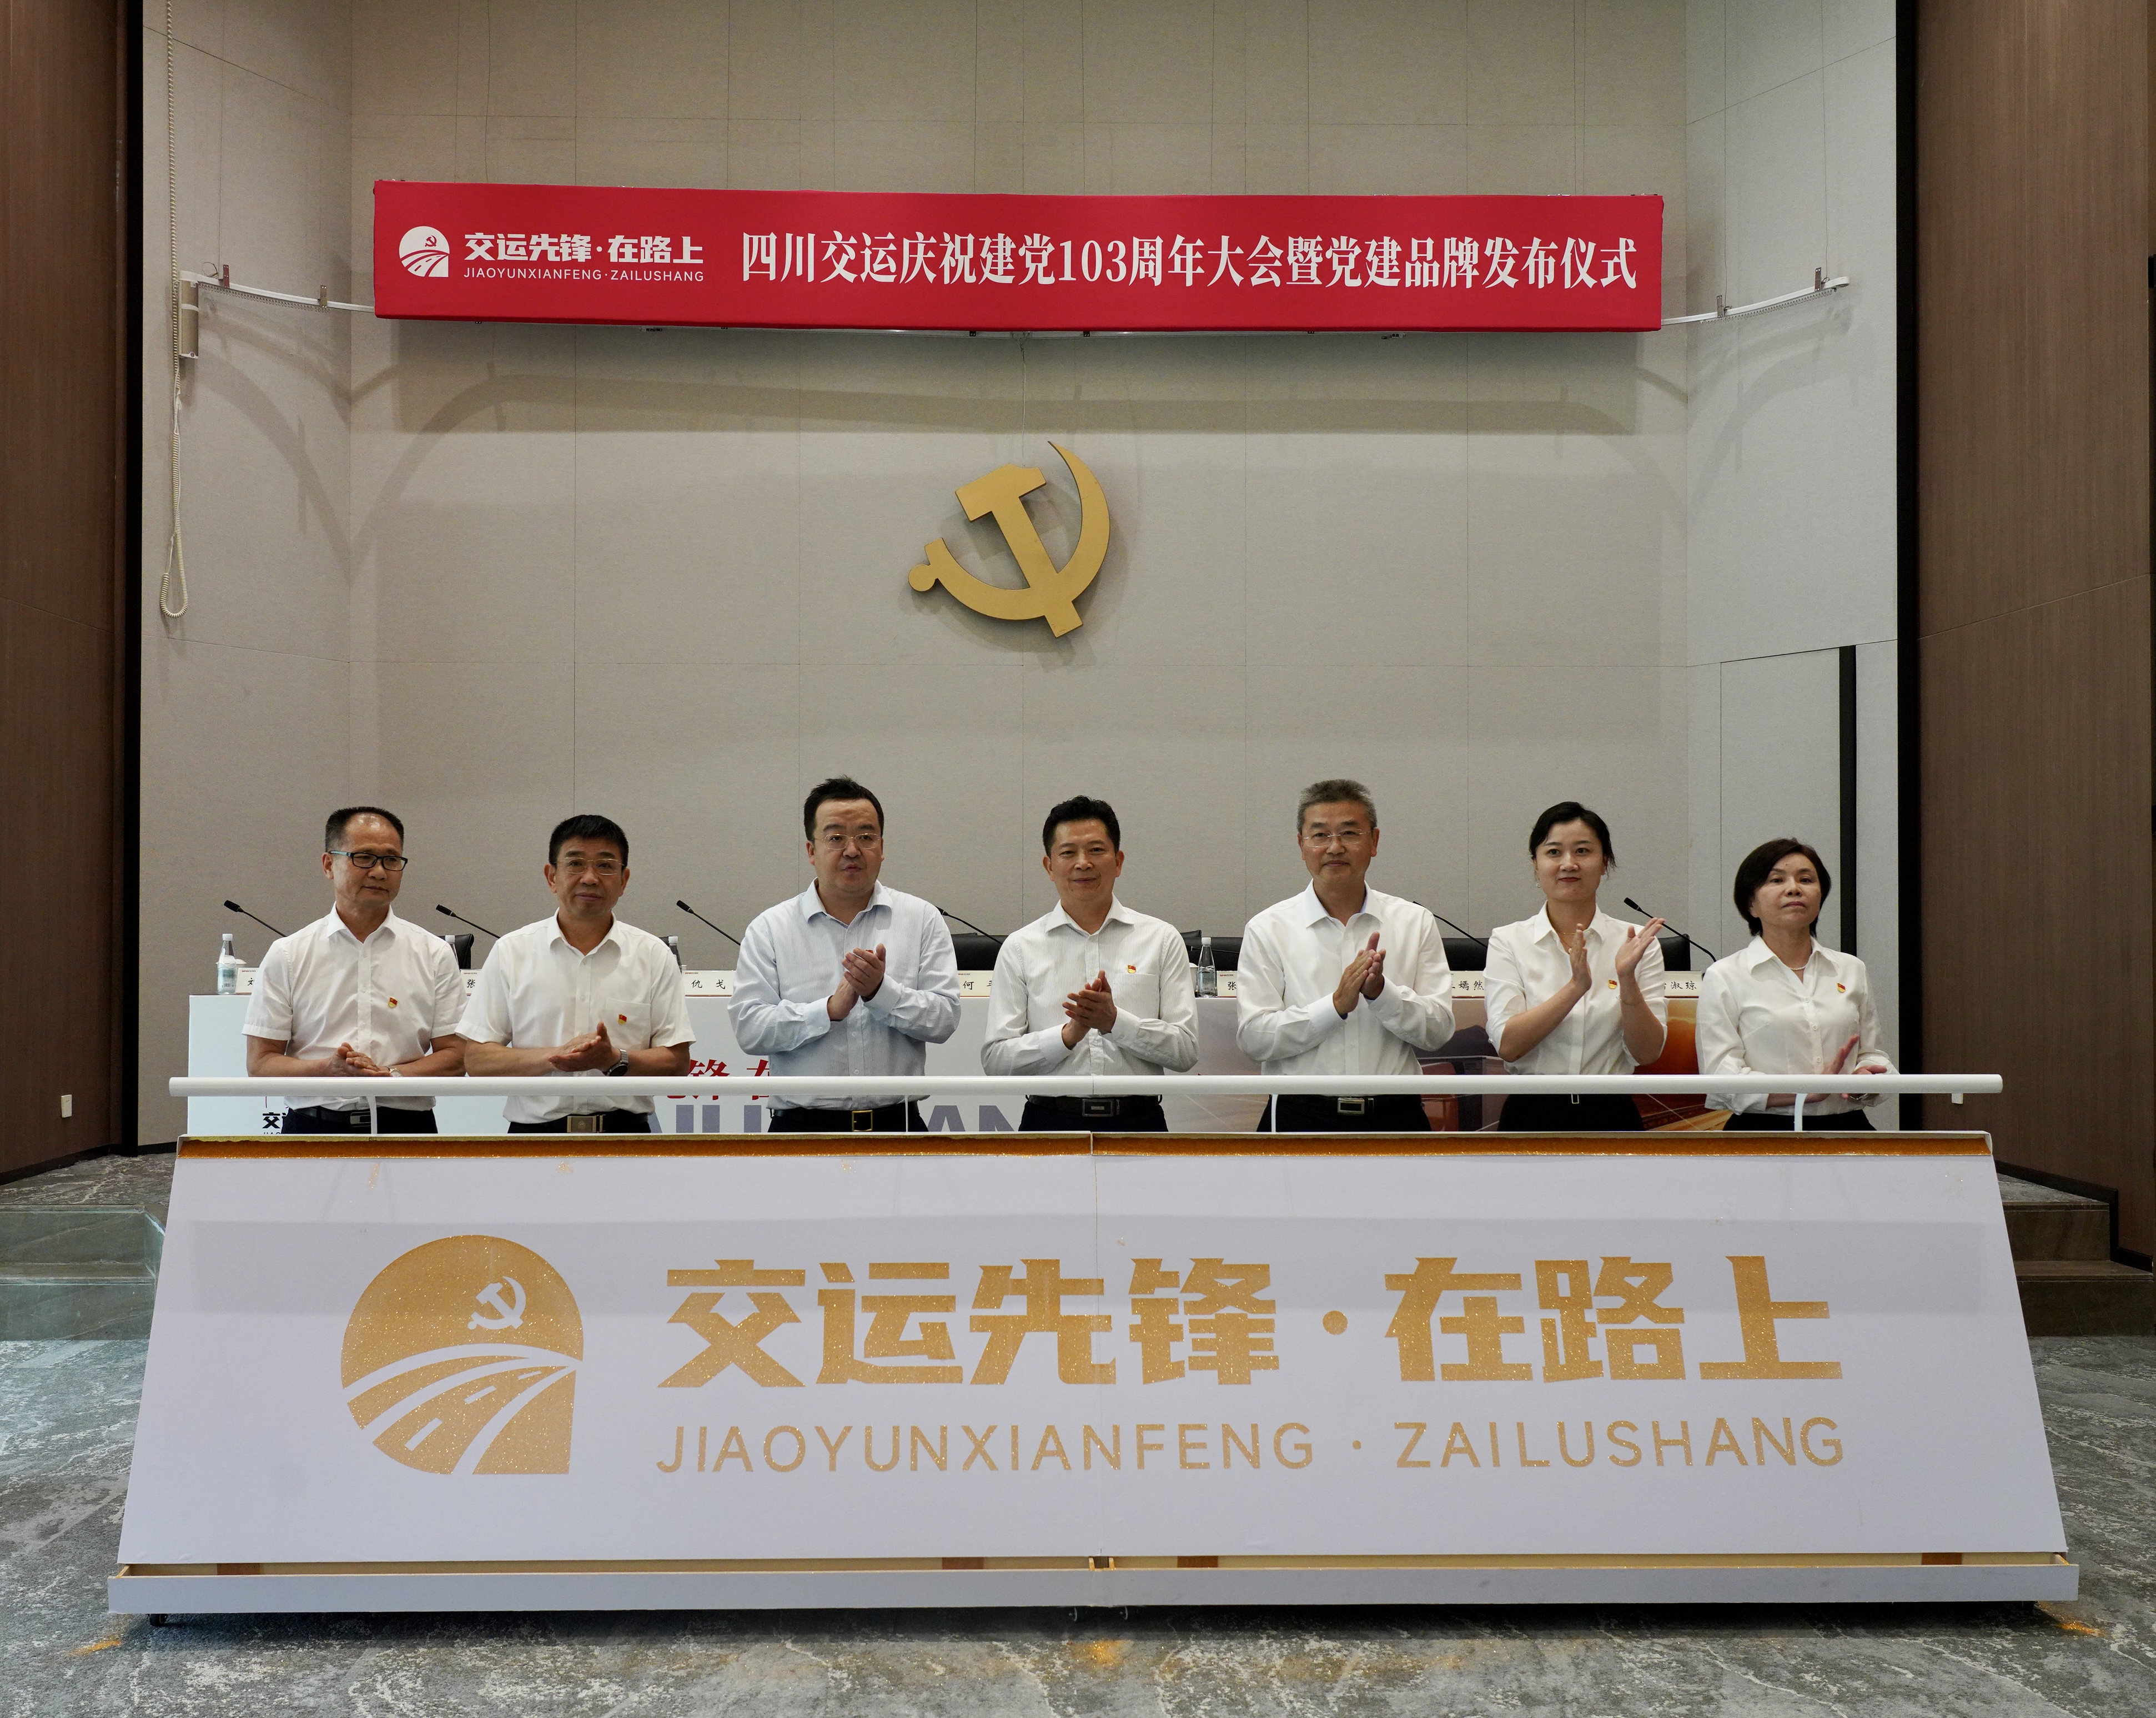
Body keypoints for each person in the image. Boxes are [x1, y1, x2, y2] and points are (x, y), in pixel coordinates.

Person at [732, 777, 959, 1132]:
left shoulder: (922, 919)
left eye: (866, 837)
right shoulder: (770, 928)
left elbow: (944, 1019)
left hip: (897, 1126)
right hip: (801, 1131)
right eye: (836, 838)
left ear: (882, 848)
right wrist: (826, 1011)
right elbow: (750, 1029)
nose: (852, 850)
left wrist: (881, 993)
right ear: (811, 851)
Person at [1236, 778, 1454, 1131]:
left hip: (1396, 1116)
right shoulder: (1268, 928)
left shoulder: (1414, 922)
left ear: (1374, 842)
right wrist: (1335, 1006)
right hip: (1300, 1115)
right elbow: (1254, 1038)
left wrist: (1383, 995)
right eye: (1320, 835)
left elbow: (1439, 1031)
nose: (1335, 847)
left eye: (1350, 833)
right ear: (1301, 845)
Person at [460, 815, 692, 1133]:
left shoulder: (653, 955)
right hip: (533, 1136)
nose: (590, 878)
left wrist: (613, 1059)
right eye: (575, 864)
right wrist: (555, 1057)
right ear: (551, 877)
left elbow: (677, 1063)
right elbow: (477, 1061)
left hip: (625, 1134)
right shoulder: (512, 951)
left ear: (624, 880)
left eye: (605, 866)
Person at [244, 806, 466, 1134]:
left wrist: (390, 1077)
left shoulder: (434, 953)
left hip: (407, 1127)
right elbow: (261, 1063)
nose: (379, 872)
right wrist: (329, 1069)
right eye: (364, 857)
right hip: (313, 1128)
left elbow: (457, 1056)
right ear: (328, 865)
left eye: (391, 860)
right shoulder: (288, 954)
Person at [983, 795, 1197, 1131]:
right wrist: (1067, 1036)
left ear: (1119, 862)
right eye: (1068, 853)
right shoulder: (1021, 947)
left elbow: (1185, 1052)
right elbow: (996, 1060)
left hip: (1139, 1123)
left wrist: (1114, 1021)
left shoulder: (1162, 939)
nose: (1083, 863)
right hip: (1048, 1123)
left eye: (1096, 850)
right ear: (1049, 867)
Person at [1482, 802, 1667, 1132]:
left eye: (1583, 851)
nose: (1569, 864)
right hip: (1532, 1114)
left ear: (1604, 862)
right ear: (1536, 864)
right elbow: (1509, 1046)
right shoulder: (1509, 941)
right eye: (1554, 852)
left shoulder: (1637, 942)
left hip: (1612, 1114)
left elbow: (1648, 1052)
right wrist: (1575, 988)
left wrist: (1626, 979)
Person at [1696, 837, 1893, 1130]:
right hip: (1762, 1131)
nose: (1794, 889)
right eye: (1777, 880)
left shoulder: (1851, 969)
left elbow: (1873, 1053)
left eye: (1806, 880)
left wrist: (1866, 1078)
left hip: (1847, 1126)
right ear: (1751, 904)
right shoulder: (1725, 975)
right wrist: (1806, 1092)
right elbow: (1720, 1074)